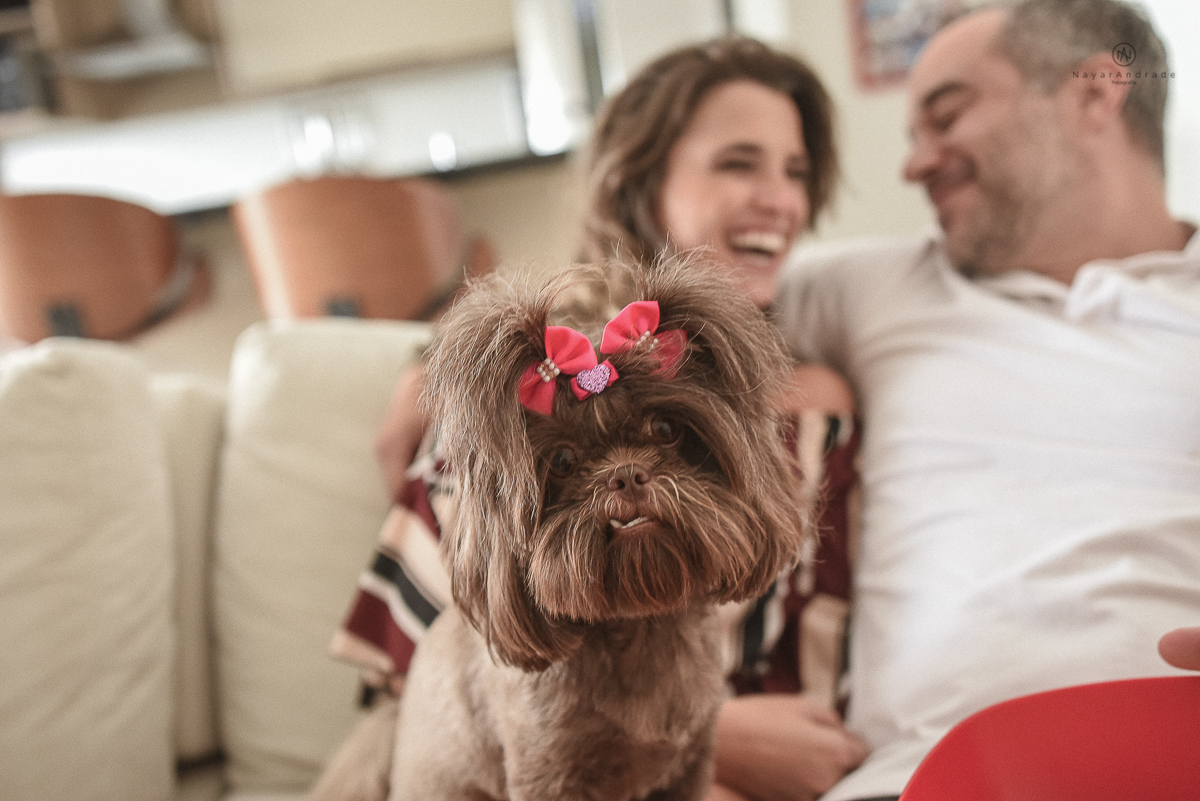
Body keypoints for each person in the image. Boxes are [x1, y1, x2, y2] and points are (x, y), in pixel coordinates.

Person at [332, 37, 869, 801]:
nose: (780, 200)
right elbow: (432, 664)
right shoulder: (521, 395)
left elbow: (821, 675)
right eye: (738, 163)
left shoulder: (827, 396)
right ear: (639, 181)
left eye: (796, 172)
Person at [773, 1, 1200, 799]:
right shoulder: (880, 287)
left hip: (1172, 758)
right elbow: (642, 303)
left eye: (947, 115)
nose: (914, 163)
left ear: (1096, 92)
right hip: (912, 780)